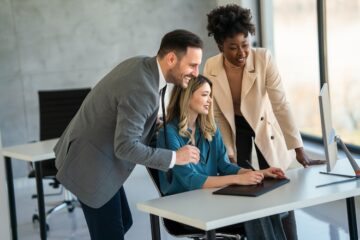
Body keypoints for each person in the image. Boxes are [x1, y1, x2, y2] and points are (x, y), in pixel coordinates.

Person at [53, 29, 203, 240]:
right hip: (90, 166)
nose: (196, 73)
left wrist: (151, 123)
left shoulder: (143, 65)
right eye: (192, 65)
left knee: (124, 221)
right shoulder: (142, 87)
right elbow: (125, 147)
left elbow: (126, 110)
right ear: (171, 59)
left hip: (94, 154)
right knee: (111, 235)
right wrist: (175, 158)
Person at [203, 4, 325, 239]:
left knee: (282, 199)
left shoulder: (263, 58)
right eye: (233, 48)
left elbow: (280, 104)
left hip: (264, 130)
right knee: (246, 196)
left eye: (245, 45)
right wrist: (227, 151)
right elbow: (216, 114)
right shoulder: (211, 66)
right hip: (235, 131)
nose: (241, 53)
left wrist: (299, 149)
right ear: (220, 46)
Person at [157, 75, 288, 240]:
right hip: (184, 209)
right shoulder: (167, 134)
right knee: (256, 214)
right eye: (205, 95)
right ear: (187, 96)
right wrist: (237, 180)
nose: (210, 100)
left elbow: (225, 166)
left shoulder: (210, 128)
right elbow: (190, 180)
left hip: (210, 200)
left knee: (265, 208)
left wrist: (261, 173)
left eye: (210, 95)